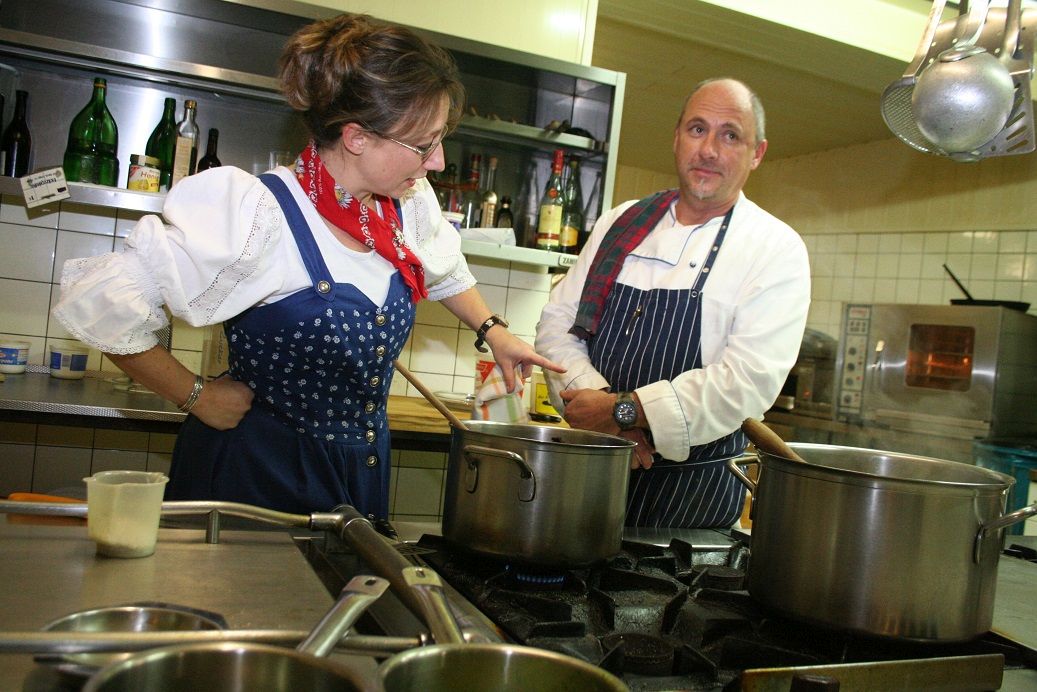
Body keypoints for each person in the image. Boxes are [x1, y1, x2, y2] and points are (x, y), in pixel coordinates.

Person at [53, 13, 560, 519]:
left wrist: (494, 332)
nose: (438, 161)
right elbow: (99, 304)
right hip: (254, 479)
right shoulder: (260, 213)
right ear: (357, 137)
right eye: (423, 144)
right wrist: (198, 396)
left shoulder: (407, 206)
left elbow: (443, 270)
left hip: (356, 476)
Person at [534, 77, 810, 529]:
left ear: (757, 153)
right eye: (698, 130)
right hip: (589, 477)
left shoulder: (774, 248)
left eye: (730, 136)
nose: (709, 150)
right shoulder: (620, 221)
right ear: (677, 137)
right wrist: (600, 408)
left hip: (692, 504)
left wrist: (626, 410)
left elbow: (747, 380)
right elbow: (558, 323)